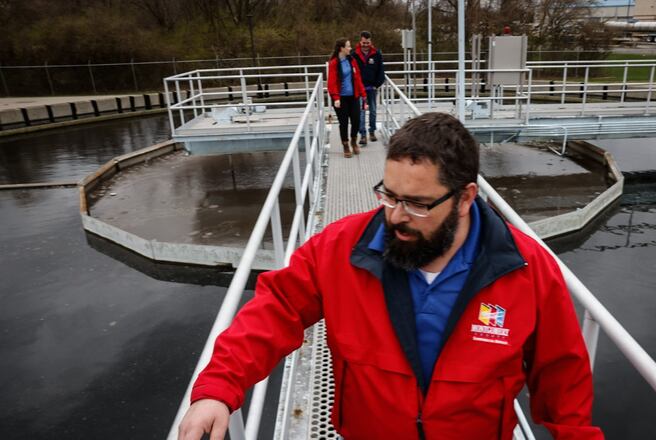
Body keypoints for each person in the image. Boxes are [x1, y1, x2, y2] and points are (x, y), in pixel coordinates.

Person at [178, 112, 604, 440]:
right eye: (389, 195)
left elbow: (561, 375)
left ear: (464, 198)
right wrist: (218, 387)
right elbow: (275, 310)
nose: (396, 216)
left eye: (417, 203)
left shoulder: (526, 269)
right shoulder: (342, 249)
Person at [327, 37, 367, 158]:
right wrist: (336, 98)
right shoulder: (334, 63)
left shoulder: (352, 60)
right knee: (343, 123)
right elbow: (331, 82)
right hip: (341, 98)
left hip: (354, 96)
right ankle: (345, 145)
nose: (350, 48)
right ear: (342, 48)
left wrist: (363, 95)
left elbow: (358, 78)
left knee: (356, 120)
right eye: (348, 46)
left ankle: (353, 141)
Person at [352, 30, 385, 146]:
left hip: (372, 88)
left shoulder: (377, 54)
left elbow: (381, 71)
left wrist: (377, 85)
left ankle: (372, 131)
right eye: (364, 43)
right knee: (361, 112)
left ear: (371, 42)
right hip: (359, 89)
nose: (366, 45)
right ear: (360, 41)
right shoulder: (353, 54)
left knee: (373, 111)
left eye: (368, 43)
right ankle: (363, 134)